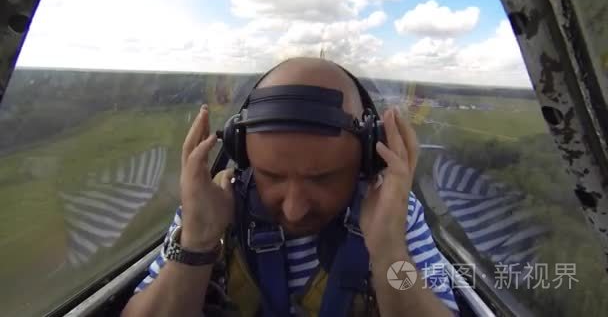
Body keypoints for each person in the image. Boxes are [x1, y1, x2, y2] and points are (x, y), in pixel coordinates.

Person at [122, 58, 459, 316]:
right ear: (243, 153)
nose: (294, 208)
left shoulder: (395, 211)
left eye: (323, 178)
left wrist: (389, 251)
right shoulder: (212, 204)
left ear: (367, 158)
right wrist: (197, 241)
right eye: (272, 176)